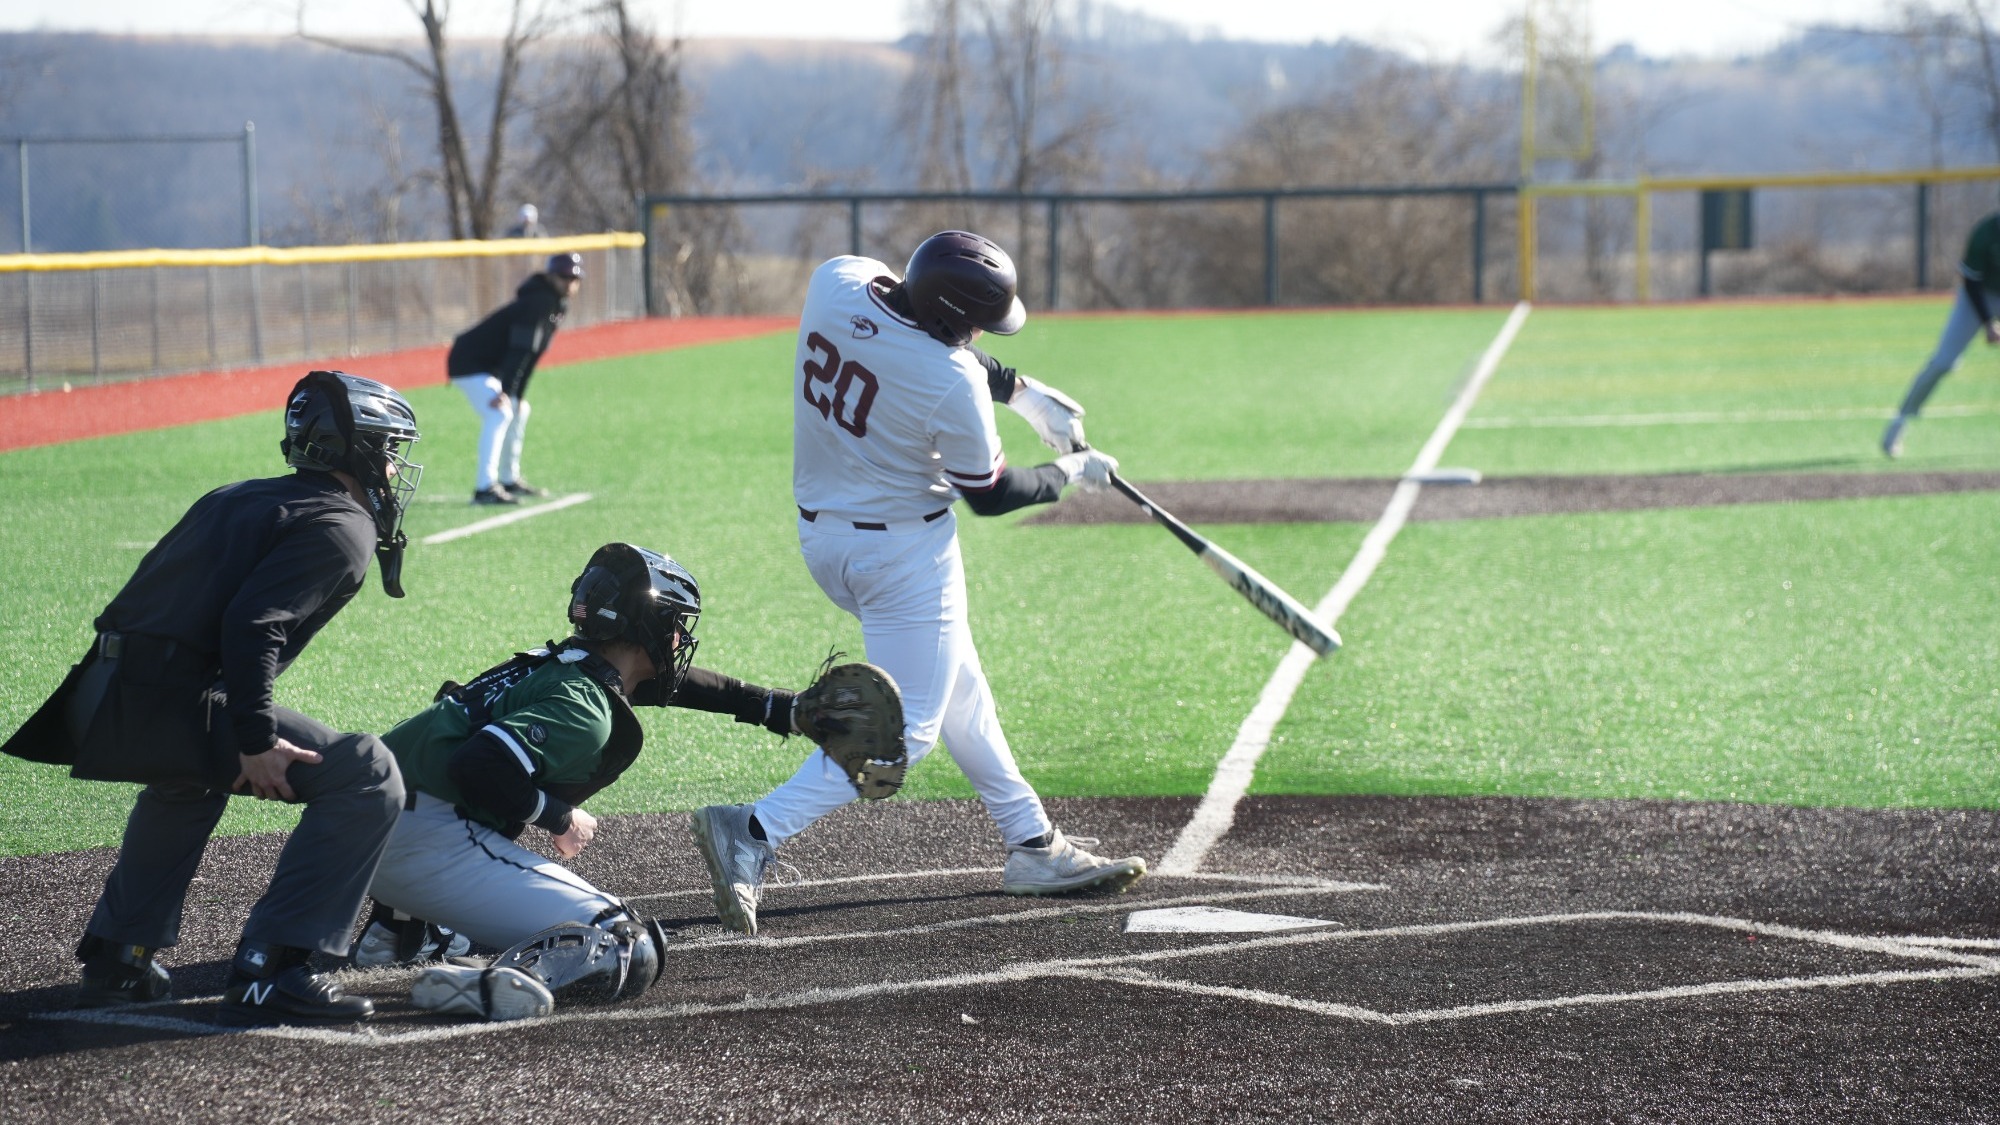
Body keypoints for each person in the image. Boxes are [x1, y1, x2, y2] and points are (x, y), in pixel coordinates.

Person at [690, 229, 1144, 938]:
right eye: (973, 323)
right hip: (903, 557)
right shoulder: (950, 380)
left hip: (823, 537)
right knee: (910, 732)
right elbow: (989, 493)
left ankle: (1033, 845)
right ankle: (751, 827)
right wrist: (1067, 476)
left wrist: (1021, 391)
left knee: (961, 689)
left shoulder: (837, 280)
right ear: (952, 319)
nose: (977, 335)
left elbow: (921, 337)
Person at [0, 371, 424, 1024]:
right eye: (389, 448)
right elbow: (253, 625)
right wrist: (254, 739)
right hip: (155, 701)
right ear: (357, 448)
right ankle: (280, 967)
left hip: (98, 692)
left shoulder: (239, 496)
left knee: (188, 776)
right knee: (367, 772)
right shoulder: (343, 524)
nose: (395, 467)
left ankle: (119, 959)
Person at [350, 542, 874, 1021]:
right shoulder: (585, 707)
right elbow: (478, 765)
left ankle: (400, 928)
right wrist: (558, 816)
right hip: (421, 844)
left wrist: (779, 709)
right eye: (673, 624)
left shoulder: (559, 664)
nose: (679, 638)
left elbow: (681, 687)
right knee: (623, 942)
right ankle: (473, 983)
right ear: (646, 626)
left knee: (482, 837)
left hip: (357, 831)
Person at [447, 251, 582, 504]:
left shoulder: (556, 304)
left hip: (488, 367)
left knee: (520, 409)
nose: (569, 282)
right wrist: (507, 392)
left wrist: (515, 395)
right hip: (468, 362)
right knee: (499, 413)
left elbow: (532, 356)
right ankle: (484, 488)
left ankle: (509, 478)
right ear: (552, 276)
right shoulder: (538, 302)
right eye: (564, 276)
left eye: (574, 277)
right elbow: (519, 351)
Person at [1883, 206, 2000, 457]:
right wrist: (1989, 323)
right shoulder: (1986, 231)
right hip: (1979, 298)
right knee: (1944, 362)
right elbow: (1971, 280)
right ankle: (1900, 421)